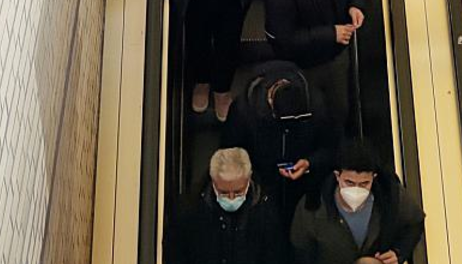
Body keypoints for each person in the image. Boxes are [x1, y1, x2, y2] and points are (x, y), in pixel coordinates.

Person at [265, 0, 364, 132]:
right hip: (304, 63)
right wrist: (331, 33)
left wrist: (355, 4)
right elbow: (283, 39)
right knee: (312, 110)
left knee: (339, 109)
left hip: (335, 52)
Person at [220, 60, 340, 217]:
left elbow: (332, 147)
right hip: (260, 184)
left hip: (304, 188)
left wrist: (310, 163)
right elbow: (230, 153)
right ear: (270, 102)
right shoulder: (244, 111)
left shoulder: (317, 105)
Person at [291, 140, 425, 264]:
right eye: (349, 182)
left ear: (374, 177)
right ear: (338, 176)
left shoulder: (390, 196)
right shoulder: (312, 206)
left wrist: (399, 252)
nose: (356, 189)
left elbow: (415, 223)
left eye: (364, 183)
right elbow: (301, 252)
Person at [166, 148, 286, 264]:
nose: (231, 198)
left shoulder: (266, 211)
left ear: (248, 179)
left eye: (238, 192)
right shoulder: (188, 211)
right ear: (213, 181)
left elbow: (275, 257)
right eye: (224, 193)